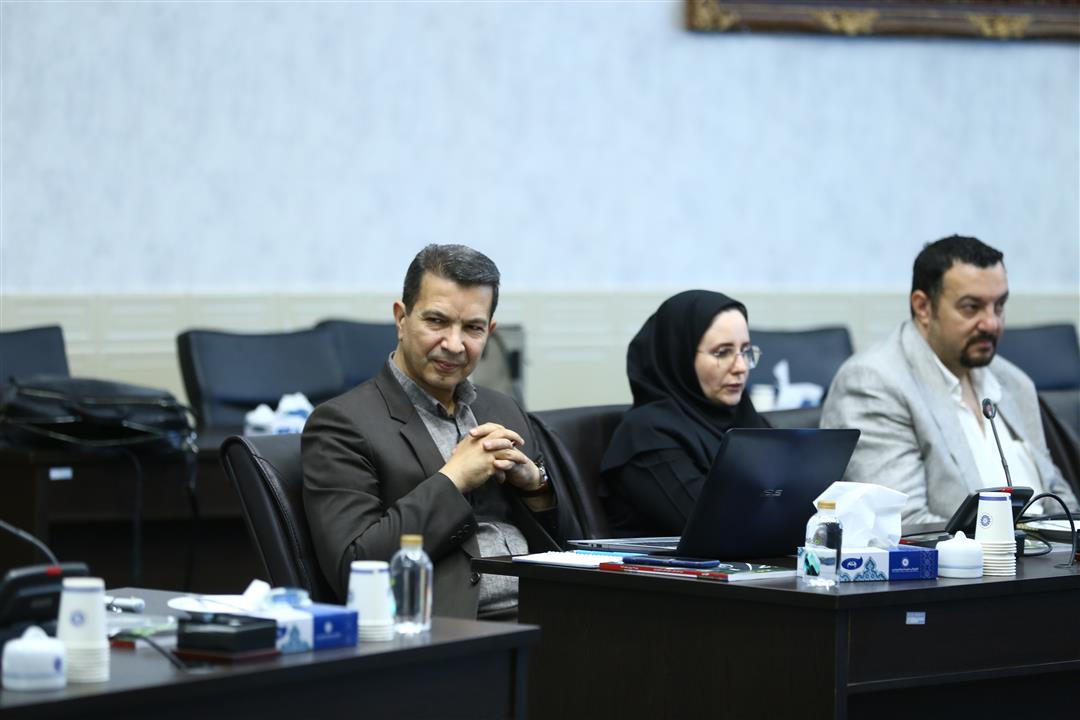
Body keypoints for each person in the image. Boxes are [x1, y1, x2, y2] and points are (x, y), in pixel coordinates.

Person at [302, 244, 561, 620]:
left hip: (552, 608)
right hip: (457, 626)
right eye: (437, 322)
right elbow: (356, 569)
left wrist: (535, 488)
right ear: (401, 318)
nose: (454, 345)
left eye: (472, 328)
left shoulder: (503, 410)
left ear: (489, 332)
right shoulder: (342, 424)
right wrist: (453, 479)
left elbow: (568, 544)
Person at [821, 235, 1077, 526]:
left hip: (1048, 551)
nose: (992, 323)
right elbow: (904, 525)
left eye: (999, 306)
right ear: (923, 307)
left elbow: (1059, 498)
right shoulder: (875, 383)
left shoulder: (1014, 382)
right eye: (971, 307)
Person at [600, 291, 770, 536]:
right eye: (722, 352)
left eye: (745, 351)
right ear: (680, 355)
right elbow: (715, 526)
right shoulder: (648, 434)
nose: (741, 367)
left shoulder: (745, 418)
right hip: (675, 563)